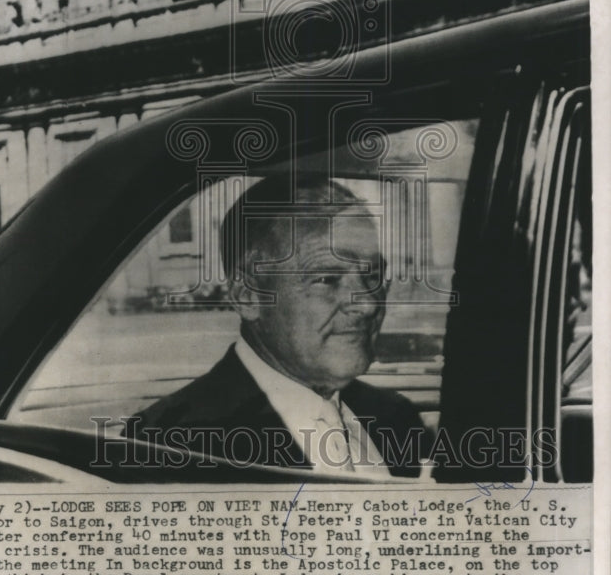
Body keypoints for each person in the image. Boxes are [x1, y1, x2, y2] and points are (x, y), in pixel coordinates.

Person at [125, 175, 428, 477]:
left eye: (373, 275)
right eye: (326, 280)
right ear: (249, 298)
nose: (368, 304)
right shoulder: (165, 445)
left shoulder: (396, 417)